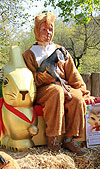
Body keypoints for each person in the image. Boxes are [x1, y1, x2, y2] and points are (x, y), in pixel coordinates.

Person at [23, 12, 94, 154]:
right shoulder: (29, 54)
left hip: (63, 86)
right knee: (56, 92)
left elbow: (73, 74)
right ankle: (53, 139)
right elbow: (31, 80)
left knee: (77, 98)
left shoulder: (60, 50)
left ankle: (69, 140)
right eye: (43, 29)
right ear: (37, 30)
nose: (47, 32)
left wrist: (83, 92)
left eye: (50, 29)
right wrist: (46, 76)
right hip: (42, 90)